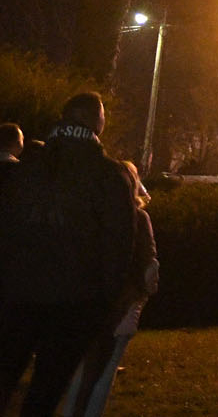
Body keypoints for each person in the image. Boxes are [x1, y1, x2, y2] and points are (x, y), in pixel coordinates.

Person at [0, 92, 135, 417]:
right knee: (45, 393)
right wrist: (109, 303)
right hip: (75, 303)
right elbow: (119, 246)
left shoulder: (23, 170)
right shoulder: (108, 176)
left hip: (16, 297)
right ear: (96, 122)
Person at [58, 161, 158, 417]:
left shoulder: (92, 215)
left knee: (83, 369)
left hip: (90, 300)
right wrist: (145, 292)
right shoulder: (138, 218)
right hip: (125, 302)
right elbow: (149, 263)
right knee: (105, 370)